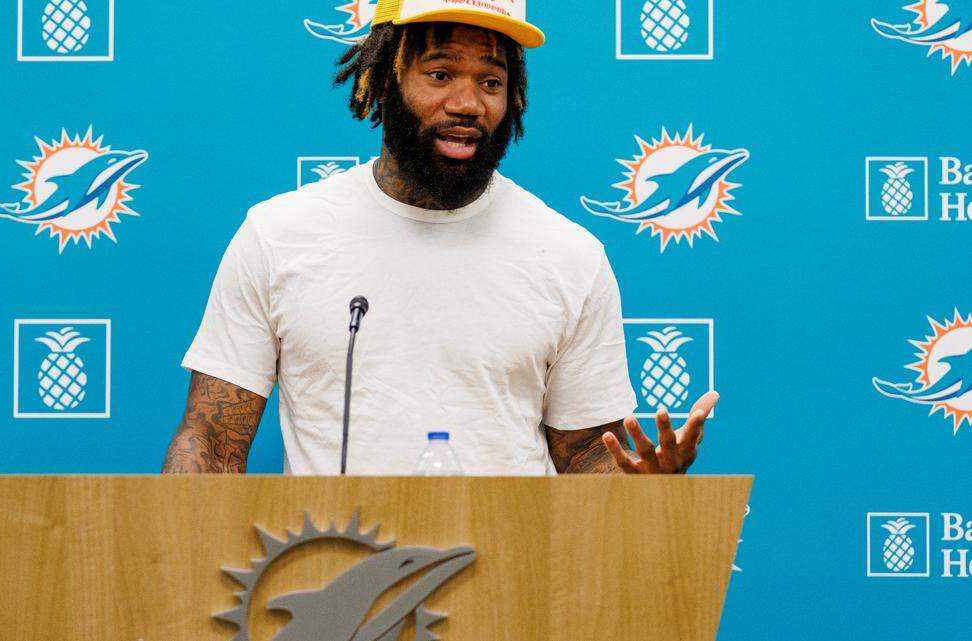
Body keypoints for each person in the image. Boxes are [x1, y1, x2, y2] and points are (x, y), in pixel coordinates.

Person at [163, 0, 717, 475]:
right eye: (440, 74)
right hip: (333, 584)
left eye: (492, 82)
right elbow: (211, 446)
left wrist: (642, 490)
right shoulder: (280, 234)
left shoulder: (569, 254)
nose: (468, 104)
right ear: (384, 79)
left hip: (515, 584)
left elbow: (585, 459)